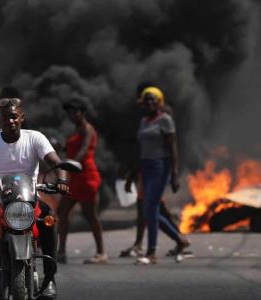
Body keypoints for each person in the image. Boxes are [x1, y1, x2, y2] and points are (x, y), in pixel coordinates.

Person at [0, 86, 68, 300]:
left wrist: (62, 180)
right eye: (5, 118)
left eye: (14, 117)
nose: (10, 121)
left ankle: (49, 279)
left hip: (29, 198)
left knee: (49, 220)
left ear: (22, 117)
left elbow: (55, 161)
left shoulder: (35, 138)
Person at [119, 84, 192, 259]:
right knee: (149, 210)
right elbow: (141, 151)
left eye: (153, 99)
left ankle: (151, 251)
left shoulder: (165, 120)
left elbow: (173, 148)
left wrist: (174, 175)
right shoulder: (143, 122)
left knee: (150, 208)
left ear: (159, 102)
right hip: (145, 167)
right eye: (146, 100)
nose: (149, 102)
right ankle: (179, 240)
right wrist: (131, 176)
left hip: (160, 166)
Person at [57, 97, 107, 264]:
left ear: (82, 112)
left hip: (86, 177)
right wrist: (61, 148)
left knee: (90, 215)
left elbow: (84, 149)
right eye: (69, 112)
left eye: (74, 111)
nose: (71, 115)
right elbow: (71, 148)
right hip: (74, 177)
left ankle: (101, 253)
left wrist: (71, 163)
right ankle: (61, 252)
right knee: (62, 212)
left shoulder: (87, 129)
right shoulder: (77, 129)